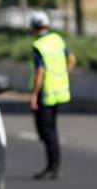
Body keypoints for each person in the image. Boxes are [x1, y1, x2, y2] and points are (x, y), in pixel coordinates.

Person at [28, 11, 76, 180]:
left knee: (47, 131)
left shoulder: (39, 45)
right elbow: (72, 59)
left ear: (33, 28)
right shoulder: (57, 39)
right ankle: (52, 165)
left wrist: (34, 95)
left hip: (46, 93)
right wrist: (63, 76)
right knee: (51, 129)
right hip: (59, 91)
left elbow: (40, 71)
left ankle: (53, 166)